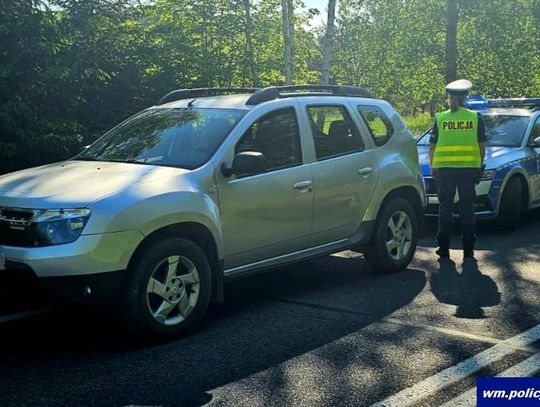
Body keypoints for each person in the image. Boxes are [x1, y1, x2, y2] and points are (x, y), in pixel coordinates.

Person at [429, 79, 486, 258]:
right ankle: (468, 249)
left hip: (445, 169)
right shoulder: (475, 117)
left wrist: (433, 166)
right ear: (466, 97)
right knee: (467, 208)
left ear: (449, 97)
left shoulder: (441, 118)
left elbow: (432, 146)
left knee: (445, 208)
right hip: (469, 169)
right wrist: (478, 164)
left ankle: (443, 247)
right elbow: (482, 145)